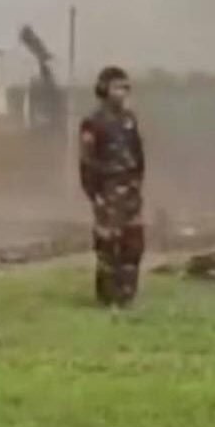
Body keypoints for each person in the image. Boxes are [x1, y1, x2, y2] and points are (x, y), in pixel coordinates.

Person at [78, 66, 146, 307]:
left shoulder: (129, 119)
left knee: (133, 243)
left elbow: (138, 154)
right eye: (117, 87)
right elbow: (87, 161)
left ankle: (127, 293)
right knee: (108, 245)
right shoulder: (93, 122)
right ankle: (107, 296)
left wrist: (137, 181)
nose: (122, 92)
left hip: (131, 191)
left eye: (126, 87)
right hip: (107, 190)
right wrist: (94, 193)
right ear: (104, 89)